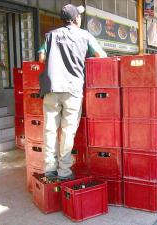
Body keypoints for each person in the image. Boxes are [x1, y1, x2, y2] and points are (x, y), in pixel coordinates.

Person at [39, 4, 107, 180]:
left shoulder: (51, 35)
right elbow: (102, 56)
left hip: (51, 88)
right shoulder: (85, 35)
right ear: (77, 19)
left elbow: (41, 58)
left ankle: (49, 169)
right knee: (68, 131)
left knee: (50, 129)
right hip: (72, 89)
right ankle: (64, 171)